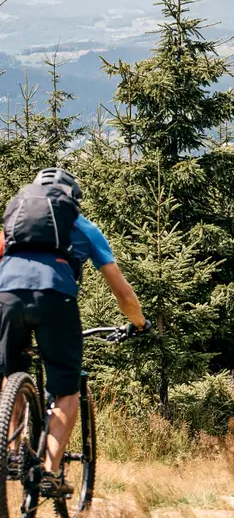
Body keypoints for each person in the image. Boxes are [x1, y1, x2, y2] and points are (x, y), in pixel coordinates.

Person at [0, 168, 151, 498]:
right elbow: (123, 294)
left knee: (12, 373)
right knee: (67, 389)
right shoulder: (83, 228)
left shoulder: (13, 226)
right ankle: (49, 474)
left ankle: (12, 452)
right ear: (72, 200)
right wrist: (139, 323)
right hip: (55, 297)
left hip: (6, 296)